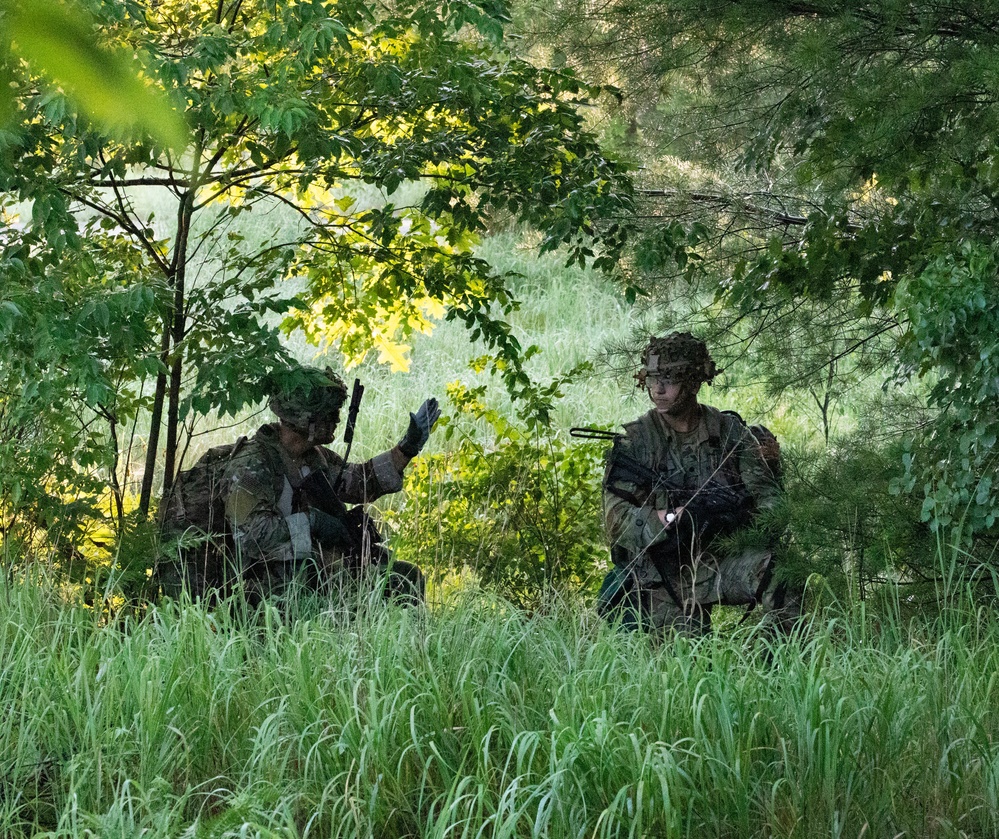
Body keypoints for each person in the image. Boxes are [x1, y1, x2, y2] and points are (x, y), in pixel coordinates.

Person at [160, 365, 439, 607]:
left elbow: (356, 482)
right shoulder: (251, 467)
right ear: (305, 419)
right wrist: (313, 522)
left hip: (304, 569)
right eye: (329, 415)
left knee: (405, 577)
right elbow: (254, 538)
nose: (337, 421)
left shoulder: (313, 457)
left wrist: (406, 449)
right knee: (337, 581)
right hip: (255, 584)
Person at [597, 332, 799, 636]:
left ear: (693, 382)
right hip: (665, 573)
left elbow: (771, 501)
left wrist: (738, 524)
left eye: (670, 379)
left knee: (783, 572)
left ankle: (778, 663)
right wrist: (669, 519)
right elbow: (615, 520)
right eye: (652, 379)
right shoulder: (638, 442)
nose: (659, 389)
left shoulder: (728, 433)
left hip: (724, 559)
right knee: (686, 662)